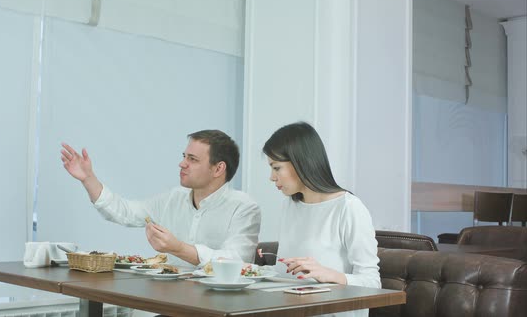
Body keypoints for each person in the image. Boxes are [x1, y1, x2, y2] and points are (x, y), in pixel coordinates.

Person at [61, 129, 261, 267]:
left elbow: (237, 261)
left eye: (192, 159)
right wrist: (88, 178)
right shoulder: (173, 198)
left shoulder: (243, 207)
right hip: (172, 302)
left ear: (218, 168)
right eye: (184, 156)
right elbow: (125, 212)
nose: (182, 164)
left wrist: (179, 249)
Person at [263, 122, 380, 317]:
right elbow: (288, 277)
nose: (271, 177)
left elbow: (373, 283)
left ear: (301, 162)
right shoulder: (290, 206)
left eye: (276, 168)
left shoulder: (349, 207)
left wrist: (331, 275)